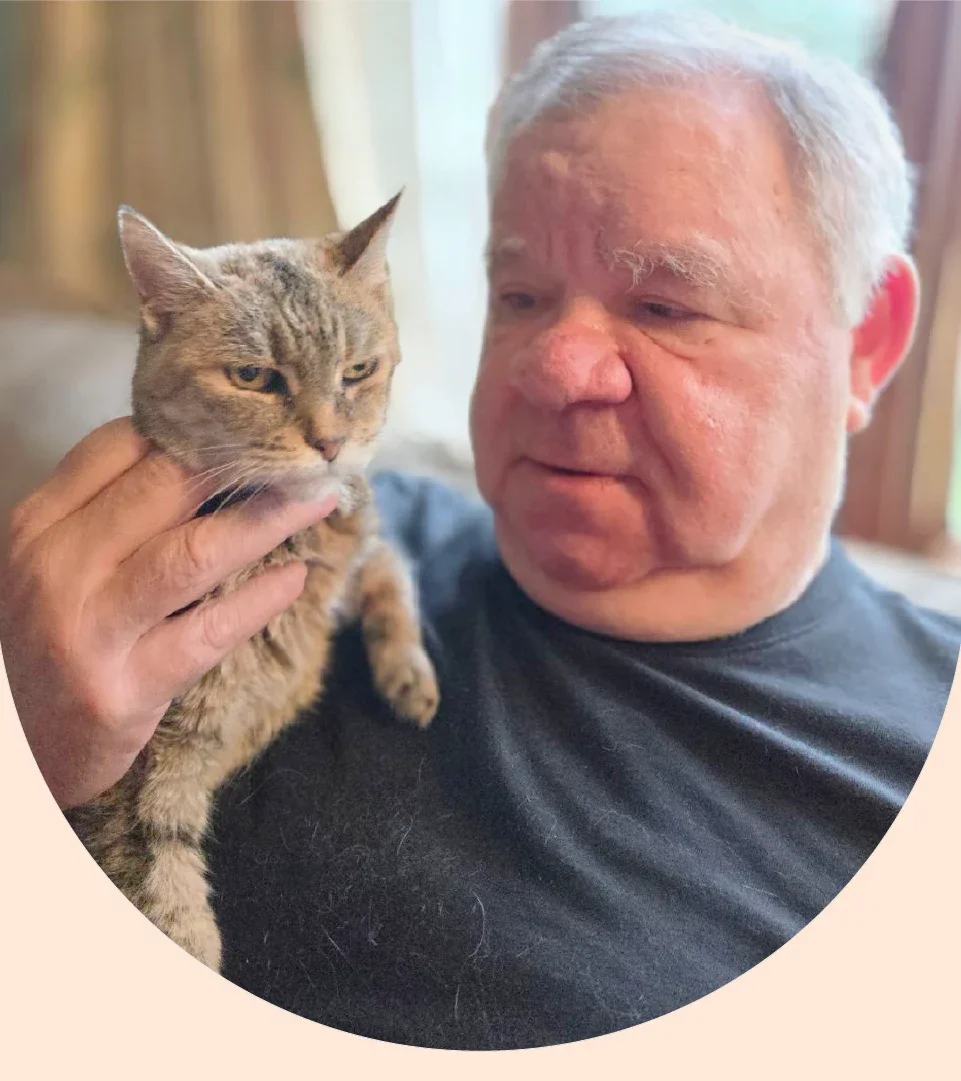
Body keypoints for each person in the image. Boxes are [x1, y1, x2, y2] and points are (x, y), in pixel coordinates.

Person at [2, 11, 958, 1051]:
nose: (552, 367)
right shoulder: (270, 546)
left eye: (665, 305)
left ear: (864, 343)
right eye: (521, 294)